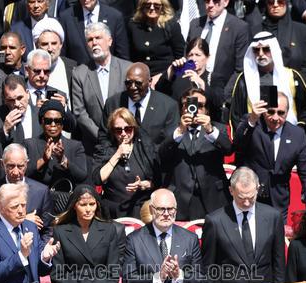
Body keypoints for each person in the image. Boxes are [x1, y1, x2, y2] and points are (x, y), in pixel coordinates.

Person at [120, 189, 201, 283]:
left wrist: (179, 276)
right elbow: (128, 281)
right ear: (151, 209)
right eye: (161, 209)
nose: (166, 213)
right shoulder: (134, 240)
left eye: (170, 209)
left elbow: (200, 280)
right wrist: (159, 276)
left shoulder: (190, 239)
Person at [232, 91, 306, 223]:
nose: (275, 117)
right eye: (270, 112)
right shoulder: (252, 125)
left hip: (278, 201)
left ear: (287, 113)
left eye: (281, 113)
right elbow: (237, 144)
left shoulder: (297, 135)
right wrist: (252, 120)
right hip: (248, 198)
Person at [201, 166, 286, 283]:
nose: (246, 203)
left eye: (251, 197)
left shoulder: (273, 217)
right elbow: (208, 267)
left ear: (257, 189)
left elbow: (279, 261)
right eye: (241, 198)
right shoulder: (215, 221)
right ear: (231, 191)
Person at [159, 88, 231, 220]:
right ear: (182, 109)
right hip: (181, 198)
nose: (195, 110)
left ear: (207, 110)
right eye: (189, 105)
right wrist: (180, 131)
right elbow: (162, 155)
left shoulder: (218, 128)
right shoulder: (172, 130)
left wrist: (210, 130)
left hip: (213, 197)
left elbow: (228, 149)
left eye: (200, 106)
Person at [70, 23, 131, 155]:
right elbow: (79, 112)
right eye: (90, 40)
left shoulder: (127, 69)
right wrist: (101, 136)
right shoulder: (79, 73)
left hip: (126, 141)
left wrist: (122, 133)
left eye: (98, 38)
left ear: (109, 41)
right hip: (94, 147)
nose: (94, 43)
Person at [0, 143, 55, 240]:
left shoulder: (41, 192)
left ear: (26, 164)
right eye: (10, 166)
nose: (16, 172)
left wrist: (41, 252)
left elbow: (47, 231)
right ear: (2, 164)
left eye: (20, 166)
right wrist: (23, 220)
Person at [92, 109, 160, 219]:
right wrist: (117, 154)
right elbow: (98, 178)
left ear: (134, 128)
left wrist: (143, 185)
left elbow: (156, 181)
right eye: (118, 130)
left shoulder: (145, 148)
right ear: (112, 131)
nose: (123, 134)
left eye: (128, 129)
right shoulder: (105, 149)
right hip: (113, 210)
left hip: (140, 209)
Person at [101, 62, 178, 149]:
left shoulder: (168, 106)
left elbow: (170, 143)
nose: (133, 87)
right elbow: (104, 138)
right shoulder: (113, 104)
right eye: (128, 83)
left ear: (149, 82)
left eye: (138, 83)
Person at [185, 0, 250, 101]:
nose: (210, 5)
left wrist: (225, 96)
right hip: (192, 91)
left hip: (221, 94)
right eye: (207, 1)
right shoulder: (195, 24)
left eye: (216, 1)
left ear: (226, 2)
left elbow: (240, 68)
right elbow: (187, 56)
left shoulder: (239, 27)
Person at [23, 99, 88, 194]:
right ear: (42, 122)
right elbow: (22, 173)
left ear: (63, 123)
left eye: (57, 121)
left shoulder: (75, 146)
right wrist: (43, 160)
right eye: (48, 121)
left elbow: (82, 176)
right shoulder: (29, 145)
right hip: (36, 198)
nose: (53, 125)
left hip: (64, 200)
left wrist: (63, 160)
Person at [157, 39, 225, 121]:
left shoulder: (214, 78)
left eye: (198, 55)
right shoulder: (178, 77)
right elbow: (159, 92)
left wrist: (201, 83)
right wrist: (170, 71)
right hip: (179, 124)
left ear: (207, 57)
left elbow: (218, 102)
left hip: (204, 127)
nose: (194, 58)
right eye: (190, 55)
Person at [59, 0, 129, 66]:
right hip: (77, 75)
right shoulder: (66, 18)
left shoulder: (114, 17)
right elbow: (63, 56)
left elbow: (122, 56)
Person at [127, 0, 185, 79]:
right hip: (140, 77)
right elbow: (129, 56)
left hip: (165, 77)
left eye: (156, 5)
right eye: (148, 5)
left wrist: (163, 76)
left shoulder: (171, 26)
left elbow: (180, 57)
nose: (152, 8)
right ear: (142, 6)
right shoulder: (133, 26)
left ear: (163, 6)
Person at [260, 0, 306, 82]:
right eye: (271, 2)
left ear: (287, 3)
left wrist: (291, 84)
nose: (275, 5)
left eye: (280, 2)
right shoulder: (256, 30)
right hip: (263, 86)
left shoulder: (302, 30)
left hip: (295, 86)